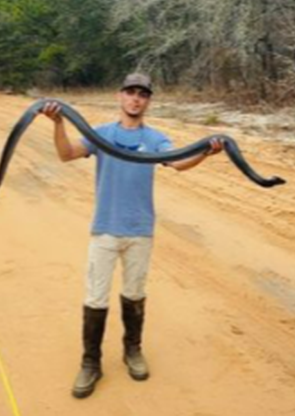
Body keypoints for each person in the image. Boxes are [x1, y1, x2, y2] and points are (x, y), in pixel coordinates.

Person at [39, 72, 223, 399]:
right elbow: (66, 154)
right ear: (120, 96)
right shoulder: (100, 133)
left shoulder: (155, 140)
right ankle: (90, 363)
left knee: (135, 293)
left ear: (148, 101)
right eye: (131, 93)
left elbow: (179, 163)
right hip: (105, 229)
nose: (136, 99)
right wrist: (58, 123)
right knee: (95, 297)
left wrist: (206, 151)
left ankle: (132, 350)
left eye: (143, 94)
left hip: (140, 230)